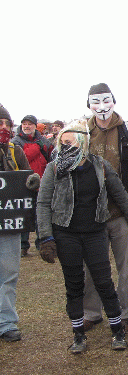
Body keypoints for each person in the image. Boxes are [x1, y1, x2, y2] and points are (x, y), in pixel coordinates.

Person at [37, 120, 128, 353]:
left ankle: (117, 332)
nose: (64, 147)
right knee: (74, 284)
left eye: (69, 142)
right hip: (65, 234)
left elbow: (119, 193)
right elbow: (43, 203)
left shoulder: (100, 166)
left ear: (82, 142)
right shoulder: (54, 169)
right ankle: (78, 336)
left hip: (94, 232)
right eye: (61, 143)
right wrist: (46, 238)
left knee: (104, 282)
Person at [83, 83, 128, 333]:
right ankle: (91, 312)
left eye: (105, 100)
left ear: (114, 101)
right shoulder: (82, 132)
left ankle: (127, 313)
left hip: (123, 211)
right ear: (88, 104)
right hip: (90, 213)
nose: (101, 106)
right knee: (91, 266)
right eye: (95, 102)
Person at [0, 105, 38, 343]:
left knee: (8, 273)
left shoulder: (15, 149)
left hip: (9, 223)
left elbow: (27, 176)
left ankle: (6, 321)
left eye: (6, 123)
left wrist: (33, 181)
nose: (3, 128)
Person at [11, 114, 54, 257]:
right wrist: (37, 147)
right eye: (24, 123)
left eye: (29, 124)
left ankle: (41, 243)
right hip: (22, 183)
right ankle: (23, 246)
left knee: (40, 215)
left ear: (35, 126)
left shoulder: (43, 140)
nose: (26, 126)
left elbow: (51, 156)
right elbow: (25, 157)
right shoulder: (16, 141)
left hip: (42, 182)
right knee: (22, 214)